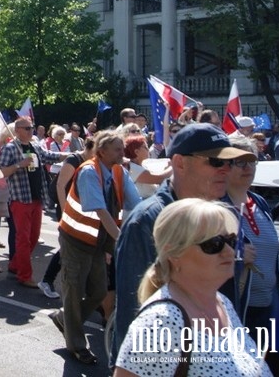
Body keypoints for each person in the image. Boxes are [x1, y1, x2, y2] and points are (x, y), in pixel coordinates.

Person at [110, 122, 258, 365]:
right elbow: (132, 312)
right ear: (179, 162)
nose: (226, 170)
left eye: (229, 162)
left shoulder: (222, 214)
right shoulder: (147, 220)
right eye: (215, 161)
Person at [113, 199, 272, 376]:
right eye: (213, 244)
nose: (229, 251)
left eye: (231, 241)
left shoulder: (222, 303)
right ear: (174, 254)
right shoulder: (160, 322)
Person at [51, 130, 141, 366]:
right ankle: (77, 346)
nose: (123, 153)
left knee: (99, 292)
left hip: (98, 243)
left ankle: (65, 319)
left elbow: (137, 204)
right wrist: (122, 241)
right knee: (73, 292)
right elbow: (100, 211)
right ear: (102, 151)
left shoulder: (120, 171)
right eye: (118, 149)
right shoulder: (89, 172)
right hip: (75, 240)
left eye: (123, 148)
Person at [222, 133, 279, 376]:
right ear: (224, 166)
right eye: (240, 161)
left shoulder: (258, 201)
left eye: (252, 160)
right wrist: (237, 258)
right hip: (238, 312)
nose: (248, 167)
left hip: (270, 309)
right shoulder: (217, 206)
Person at [0, 116, 67, 288]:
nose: (31, 131)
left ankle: (15, 265)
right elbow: (1, 173)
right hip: (20, 199)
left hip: (37, 198)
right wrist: (19, 165)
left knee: (34, 237)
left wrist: (71, 155)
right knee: (23, 239)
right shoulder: (9, 149)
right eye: (27, 128)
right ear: (18, 130)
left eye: (32, 128)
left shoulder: (35, 146)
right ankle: (24, 275)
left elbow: (48, 156)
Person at [40, 139, 97, 299]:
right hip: (68, 208)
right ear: (89, 147)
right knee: (68, 246)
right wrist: (66, 211)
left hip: (82, 208)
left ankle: (86, 287)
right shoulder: (74, 159)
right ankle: (47, 280)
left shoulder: (92, 161)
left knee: (80, 246)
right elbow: (60, 185)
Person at [123, 134, 170, 199]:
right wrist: (173, 166)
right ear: (136, 152)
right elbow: (159, 178)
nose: (148, 149)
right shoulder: (131, 168)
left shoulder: (142, 165)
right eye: (145, 147)